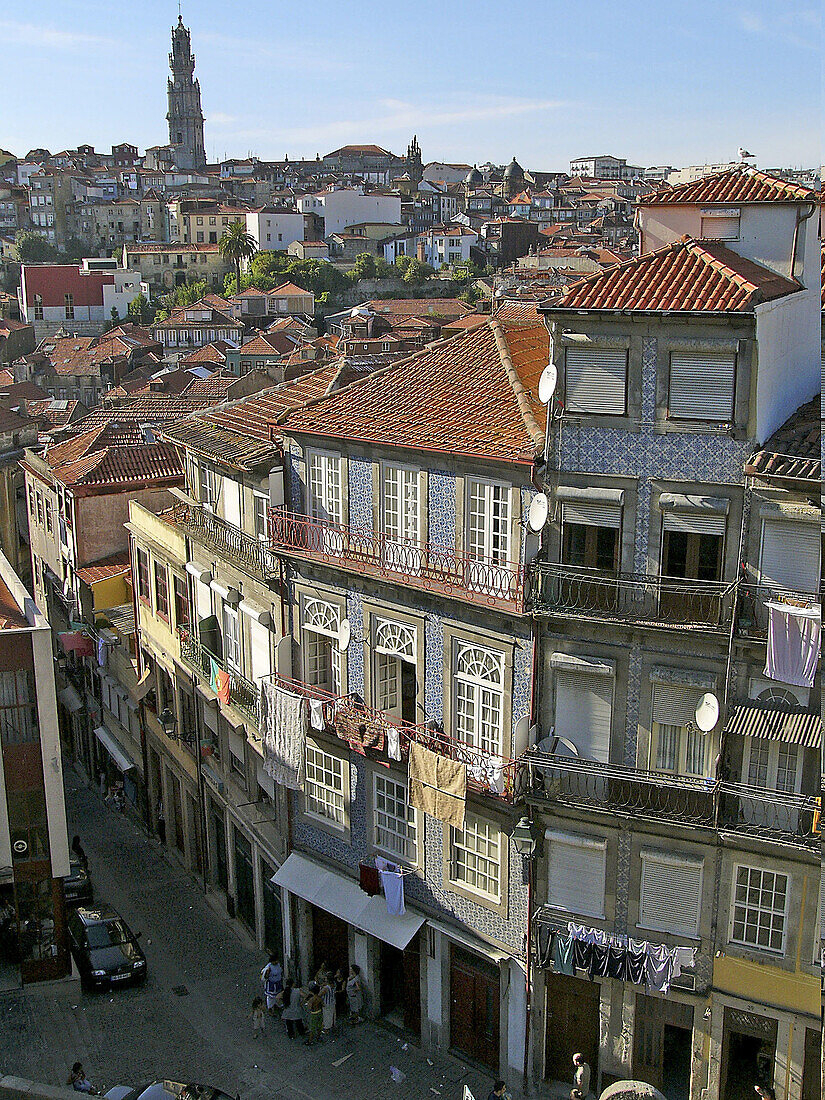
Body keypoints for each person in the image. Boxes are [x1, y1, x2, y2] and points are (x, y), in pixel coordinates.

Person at [321, 970, 336, 1035]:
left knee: (326, 1016)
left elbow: (319, 995)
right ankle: (331, 1026)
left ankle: (326, 1029)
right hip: (332, 1002)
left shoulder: (326, 988)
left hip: (326, 1003)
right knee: (331, 1015)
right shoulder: (334, 985)